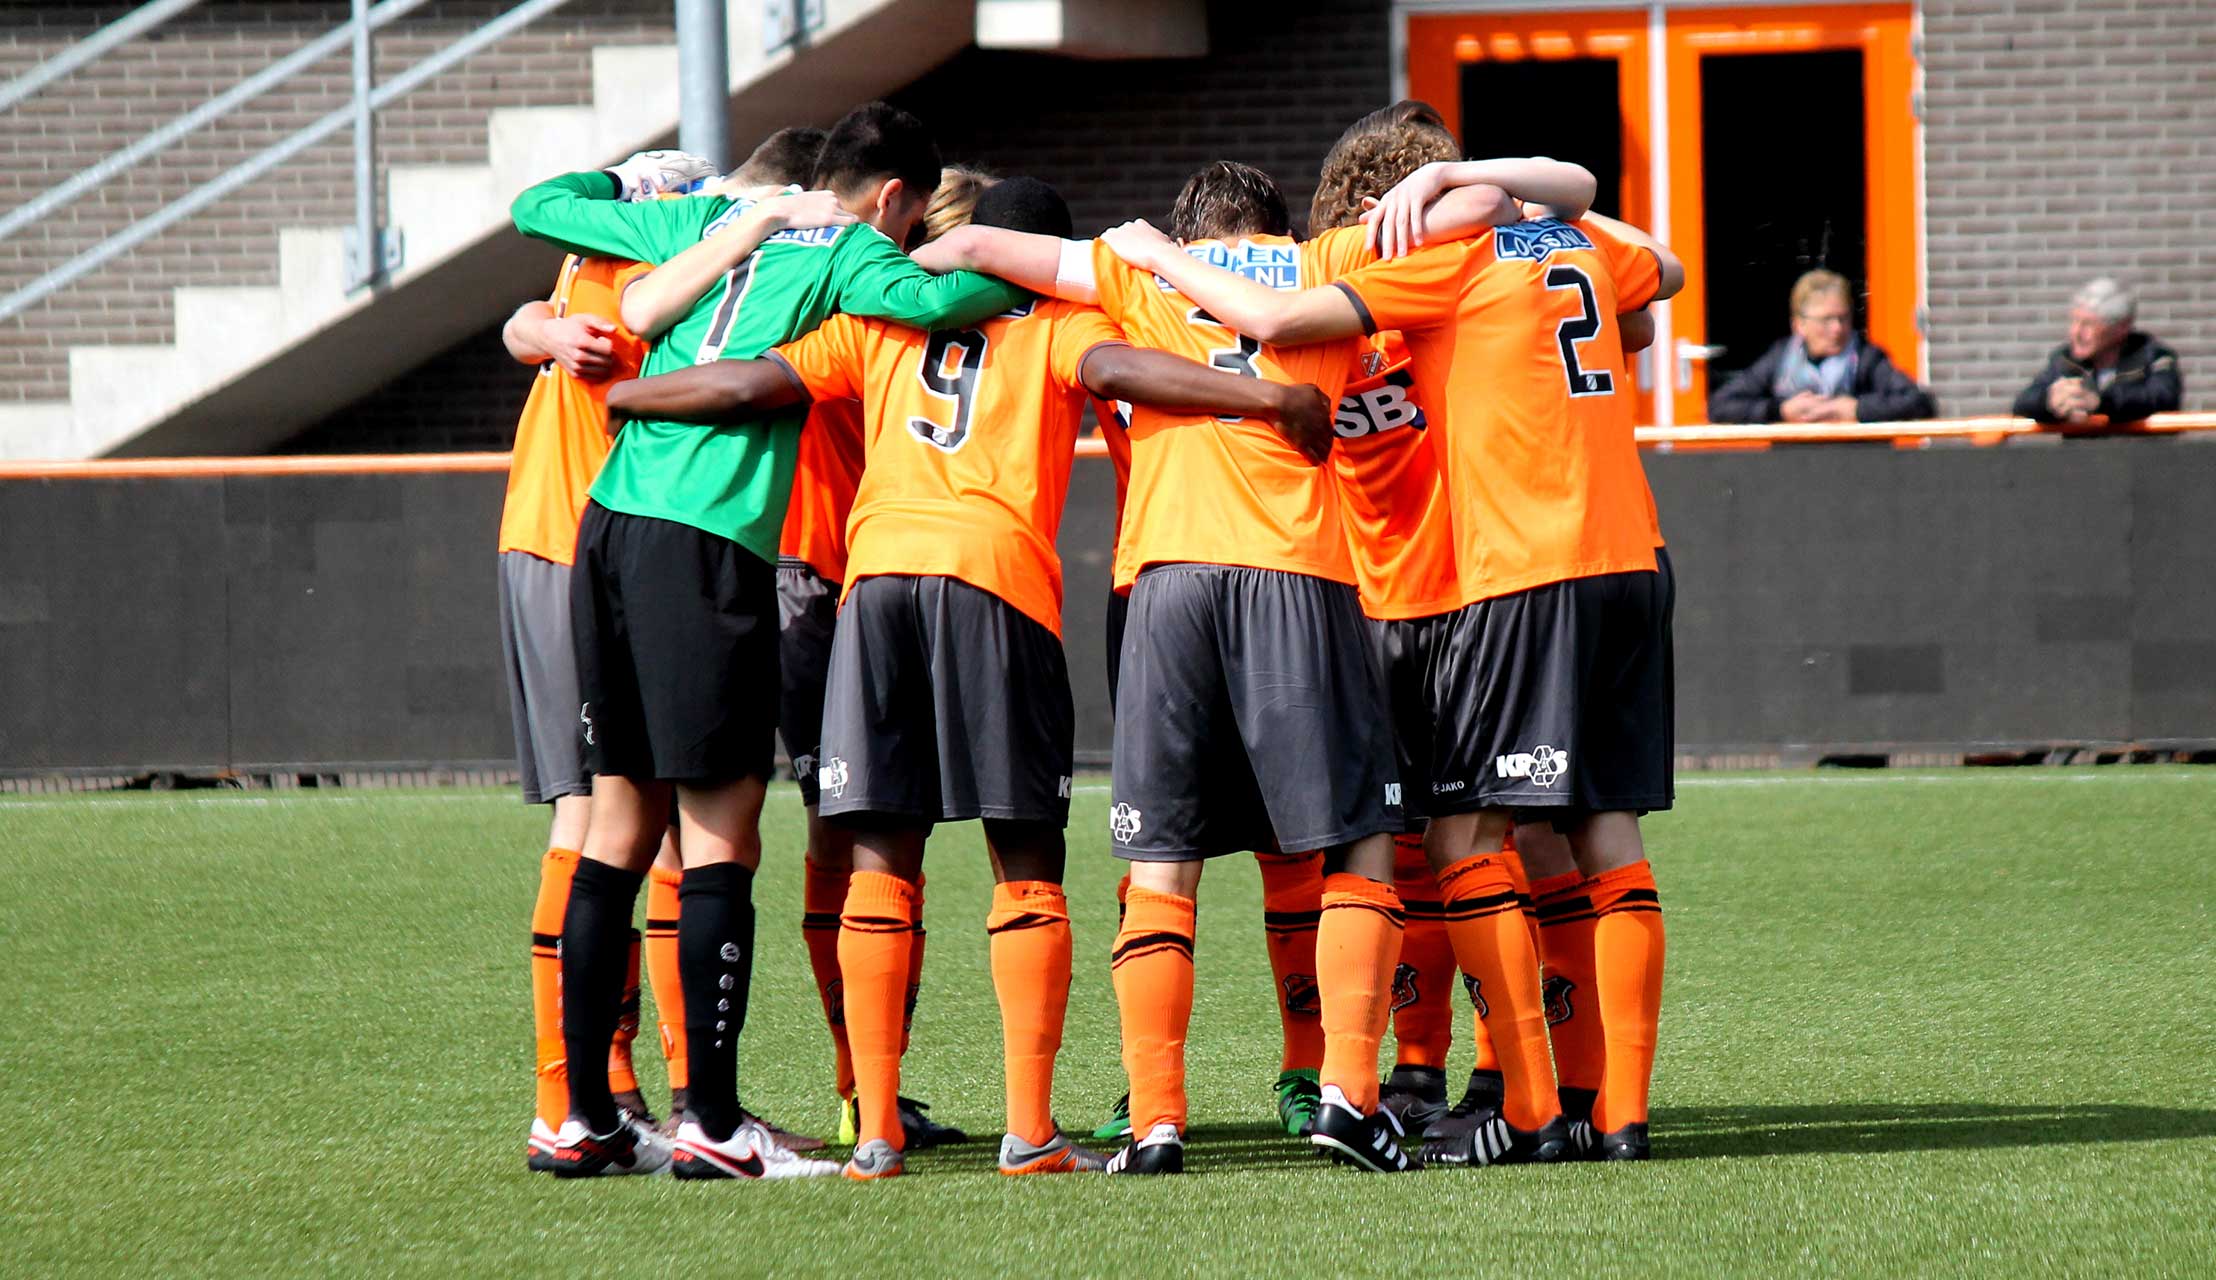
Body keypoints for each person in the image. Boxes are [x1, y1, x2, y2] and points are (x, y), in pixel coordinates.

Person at [610, 175, 1334, 1180]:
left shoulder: (881, 326)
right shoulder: (1056, 327)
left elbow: (742, 385)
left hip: (876, 587)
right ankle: (1029, 1129)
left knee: (878, 856)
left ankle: (873, 1129)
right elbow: (1139, 368)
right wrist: (1268, 395)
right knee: (1024, 859)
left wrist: (627, 391)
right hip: (996, 585)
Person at [914, 159, 1514, 1175]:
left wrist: (887, 279)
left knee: (1162, 862)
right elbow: (1486, 210)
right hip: (1291, 569)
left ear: (1184, 228)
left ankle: (1153, 1122)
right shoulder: (1322, 260)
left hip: (1162, 579)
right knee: (1357, 843)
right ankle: (1345, 1096)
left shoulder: (1131, 270)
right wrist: (1429, 187)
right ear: (1274, 223)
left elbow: (965, 247)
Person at [1099, 159, 1684, 1165]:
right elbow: (1650, 283)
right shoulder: (1564, 250)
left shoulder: (1404, 284)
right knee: (1553, 831)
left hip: (1427, 583)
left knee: (1423, 844)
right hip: (1602, 555)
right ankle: (1569, 1096)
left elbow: (1270, 326)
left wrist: (1154, 256)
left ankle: (1485, 1090)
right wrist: (1512, 199)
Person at [508, 100, 1029, 1180]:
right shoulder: (849, 249)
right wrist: (999, 255)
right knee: (721, 831)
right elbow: (950, 298)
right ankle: (711, 1117)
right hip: (704, 550)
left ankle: (582, 1116)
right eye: (915, 212)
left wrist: (630, 183)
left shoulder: (699, 213)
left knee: (617, 823)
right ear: (892, 197)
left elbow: (536, 206)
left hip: (606, 527)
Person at [496, 137, 842, 1171]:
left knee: (631, 826)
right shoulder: (698, 232)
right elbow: (546, 313)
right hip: (620, 538)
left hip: (580, 533)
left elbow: (533, 299)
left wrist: (546, 324)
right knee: (636, 824)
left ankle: (612, 1107)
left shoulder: (657, 228)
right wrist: (553, 325)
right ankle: (661, 1108)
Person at [1707, 268, 1935, 424]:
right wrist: (1780, 411)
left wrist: (1854, 409)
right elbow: (1721, 405)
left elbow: (1919, 402)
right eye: (1826, 320)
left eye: (1843, 318)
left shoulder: (1866, 358)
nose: (1837, 329)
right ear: (1799, 325)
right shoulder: (1779, 359)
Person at [2011, 277, 2182, 425]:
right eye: (2074, 321)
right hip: (2083, 459)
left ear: (2121, 327)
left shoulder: (2153, 357)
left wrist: (2101, 402)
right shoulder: (2064, 360)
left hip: (2138, 458)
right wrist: (2050, 401)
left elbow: (2163, 397)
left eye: (2088, 324)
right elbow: (2023, 403)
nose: (2076, 333)